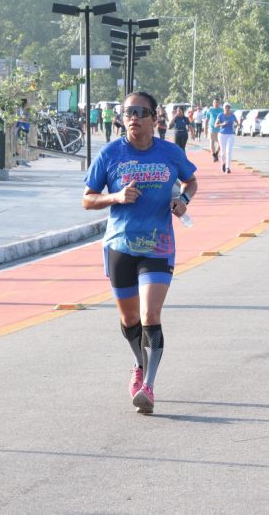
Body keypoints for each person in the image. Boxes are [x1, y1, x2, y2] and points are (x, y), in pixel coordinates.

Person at [83, 92, 198, 414]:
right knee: (130, 318)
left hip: (159, 245)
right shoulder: (110, 154)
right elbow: (88, 199)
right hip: (120, 245)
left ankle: (148, 385)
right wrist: (115, 197)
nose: (133, 117)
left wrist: (183, 201)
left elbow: (190, 182)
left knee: (150, 316)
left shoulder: (170, 153)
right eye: (128, 112)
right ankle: (138, 363)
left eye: (140, 112)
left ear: (154, 117)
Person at [215, 103, 238, 173]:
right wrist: (222, 124)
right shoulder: (220, 115)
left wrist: (236, 125)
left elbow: (237, 123)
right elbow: (215, 125)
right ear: (223, 108)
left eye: (228, 107)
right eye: (226, 107)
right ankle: (223, 163)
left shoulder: (232, 115)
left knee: (229, 151)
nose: (227, 109)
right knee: (223, 152)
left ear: (230, 108)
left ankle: (228, 167)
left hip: (231, 135)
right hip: (222, 135)